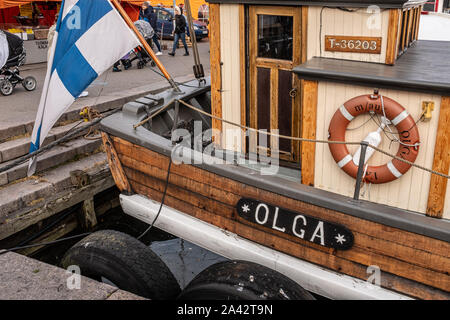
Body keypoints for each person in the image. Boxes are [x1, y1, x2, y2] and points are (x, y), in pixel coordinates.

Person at [48, 13, 89, 97]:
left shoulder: (53, 28)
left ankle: (60, 92)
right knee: (70, 73)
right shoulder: (59, 29)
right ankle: (75, 92)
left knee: (61, 74)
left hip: (55, 54)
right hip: (60, 55)